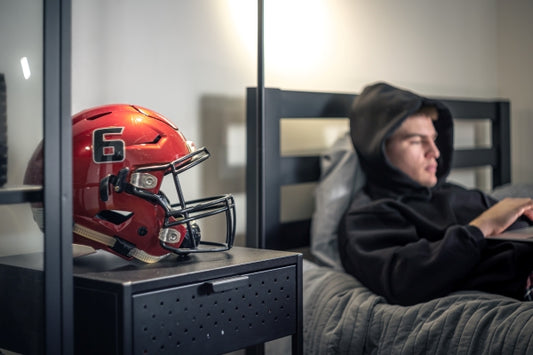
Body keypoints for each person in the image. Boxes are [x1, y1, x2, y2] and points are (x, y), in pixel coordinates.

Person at [338, 82, 533, 306]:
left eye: (433, 139)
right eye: (416, 141)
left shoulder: (456, 192)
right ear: (379, 148)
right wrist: (482, 226)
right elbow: (403, 281)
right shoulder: (368, 217)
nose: (435, 152)